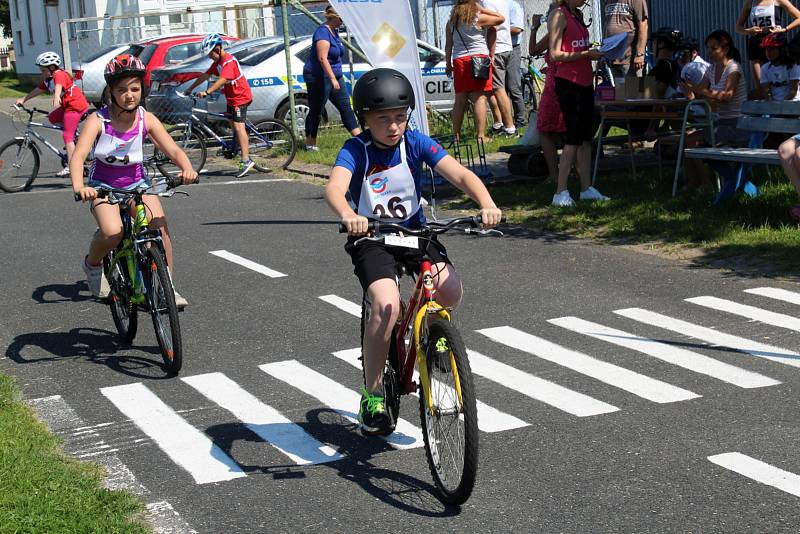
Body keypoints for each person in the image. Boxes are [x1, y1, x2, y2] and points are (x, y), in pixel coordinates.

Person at [324, 68, 502, 435]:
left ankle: (428, 337)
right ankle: (372, 392)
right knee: (387, 305)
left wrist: (485, 202)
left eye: (400, 118)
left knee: (449, 289)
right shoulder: (355, 149)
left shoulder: (416, 142)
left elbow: (460, 175)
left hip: (414, 232)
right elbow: (335, 188)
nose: (393, 126)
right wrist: (348, 214)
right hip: (372, 236)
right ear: (365, 119)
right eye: (383, 119)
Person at [71, 54, 198, 306]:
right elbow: (79, 155)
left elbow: (172, 150)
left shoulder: (146, 119)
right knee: (112, 232)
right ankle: (93, 265)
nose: (129, 95)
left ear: (142, 90)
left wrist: (187, 168)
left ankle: (167, 288)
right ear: (111, 92)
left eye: (135, 88)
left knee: (158, 227)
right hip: (101, 187)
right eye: (122, 90)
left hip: (137, 184)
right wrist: (79, 186)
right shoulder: (98, 120)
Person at [548, 0, 609, 206]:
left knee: (585, 138)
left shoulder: (577, 15)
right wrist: (585, 54)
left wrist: (592, 55)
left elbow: (578, 47)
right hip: (568, 82)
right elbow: (555, 54)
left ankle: (586, 188)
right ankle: (560, 191)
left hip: (584, 80)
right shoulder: (559, 14)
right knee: (573, 138)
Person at [684, 30, 748, 190]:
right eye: (708, 48)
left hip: (737, 126)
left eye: (713, 48)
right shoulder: (712, 69)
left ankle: (707, 184)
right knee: (687, 139)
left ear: (725, 49)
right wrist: (689, 91)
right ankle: (696, 181)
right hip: (720, 123)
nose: (709, 52)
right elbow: (699, 90)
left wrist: (701, 92)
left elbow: (727, 95)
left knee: (693, 141)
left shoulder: (734, 68)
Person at [185, 33, 255, 178]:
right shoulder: (218, 63)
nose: (210, 57)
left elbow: (223, 79)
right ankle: (235, 147)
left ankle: (246, 160)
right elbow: (205, 75)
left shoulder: (228, 62)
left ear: (217, 49)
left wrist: (207, 91)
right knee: (231, 122)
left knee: (238, 126)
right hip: (231, 98)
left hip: (240, 97)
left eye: (210, 54)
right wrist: (190, 88)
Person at [16, 52, 89, 177]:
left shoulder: (59, 74)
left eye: (43, 70)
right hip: (67, 106)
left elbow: (59, 85)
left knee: (67, 136)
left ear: (52, 67)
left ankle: (73, 166)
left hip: (75, 106)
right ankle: (74, 138)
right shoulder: (49, 79)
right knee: (52, 117)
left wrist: (56, 96)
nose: (42, 73)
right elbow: (38, 90)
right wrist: (23, 99)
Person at [301, 5, 361, 152]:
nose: (343, 22)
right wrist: (332, 79)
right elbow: (322, 58)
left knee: (345, 106)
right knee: (317, 110)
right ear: (333, 17)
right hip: (318, 76)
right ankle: (311, 144)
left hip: (335, 75)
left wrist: (336, 77)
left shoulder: (334, 32)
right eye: (341, 18)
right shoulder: (322, 32)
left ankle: (360, 139)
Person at [445, 0, 505, 143]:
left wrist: (448, 64)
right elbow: (501, 18)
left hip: (459, 61)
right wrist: (482, 9)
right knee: (480, 98)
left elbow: (448, 45)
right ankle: (480, 136)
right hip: (479, 59)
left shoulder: (451, 22)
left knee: (460, 100)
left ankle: (456, 136)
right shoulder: (479, 18)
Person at [529, 4, 566, 183]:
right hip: (570, 79)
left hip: (554, 83)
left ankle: (554, 174)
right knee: (568, 128)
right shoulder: (574, 27)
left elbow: (533, 50)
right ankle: (573, 170)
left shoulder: (553, 34)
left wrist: (534, 28)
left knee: (544, 129)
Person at [736, 0, 800, 87]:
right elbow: (738, 27)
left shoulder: (778, 1)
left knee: (780, 80)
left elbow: (798, 17)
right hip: (756, 44)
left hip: (776, 44)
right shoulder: (750, 2)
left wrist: (785, 29)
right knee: (761, 84)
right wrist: (748, 31)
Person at [482, 0, 517, 136]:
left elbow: (493, 28)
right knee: (491, 89)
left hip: (497, 49)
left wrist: (491, 53)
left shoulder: (487, 3)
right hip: (505, 47)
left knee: (498, 89)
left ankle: (510, 127)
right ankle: (498, 124)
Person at [602, 0, 649, 78]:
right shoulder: (608, 1)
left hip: (629, 58)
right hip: (612, 58)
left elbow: (643, 25)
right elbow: (607, 27)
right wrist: (603, 53)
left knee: (633, 89)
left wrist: (640, 54)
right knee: (619, 90)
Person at [759, 33, 800, 101]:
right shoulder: (764, 68)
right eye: (766, 49)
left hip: (793, 104)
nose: (768, 53)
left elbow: (793, 92)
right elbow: (766, 92)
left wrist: (781, 107)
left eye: (772, 49)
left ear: (781, 50)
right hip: (775, 106)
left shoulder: (792, 66)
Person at [507, 0, 527, 128]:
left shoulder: (513, 6)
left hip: (512, 48)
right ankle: (506, 122)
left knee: (513, 86)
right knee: (500, 89)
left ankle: (520, 119)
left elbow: (517, 29)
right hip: (498, 49)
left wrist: (499, 28)